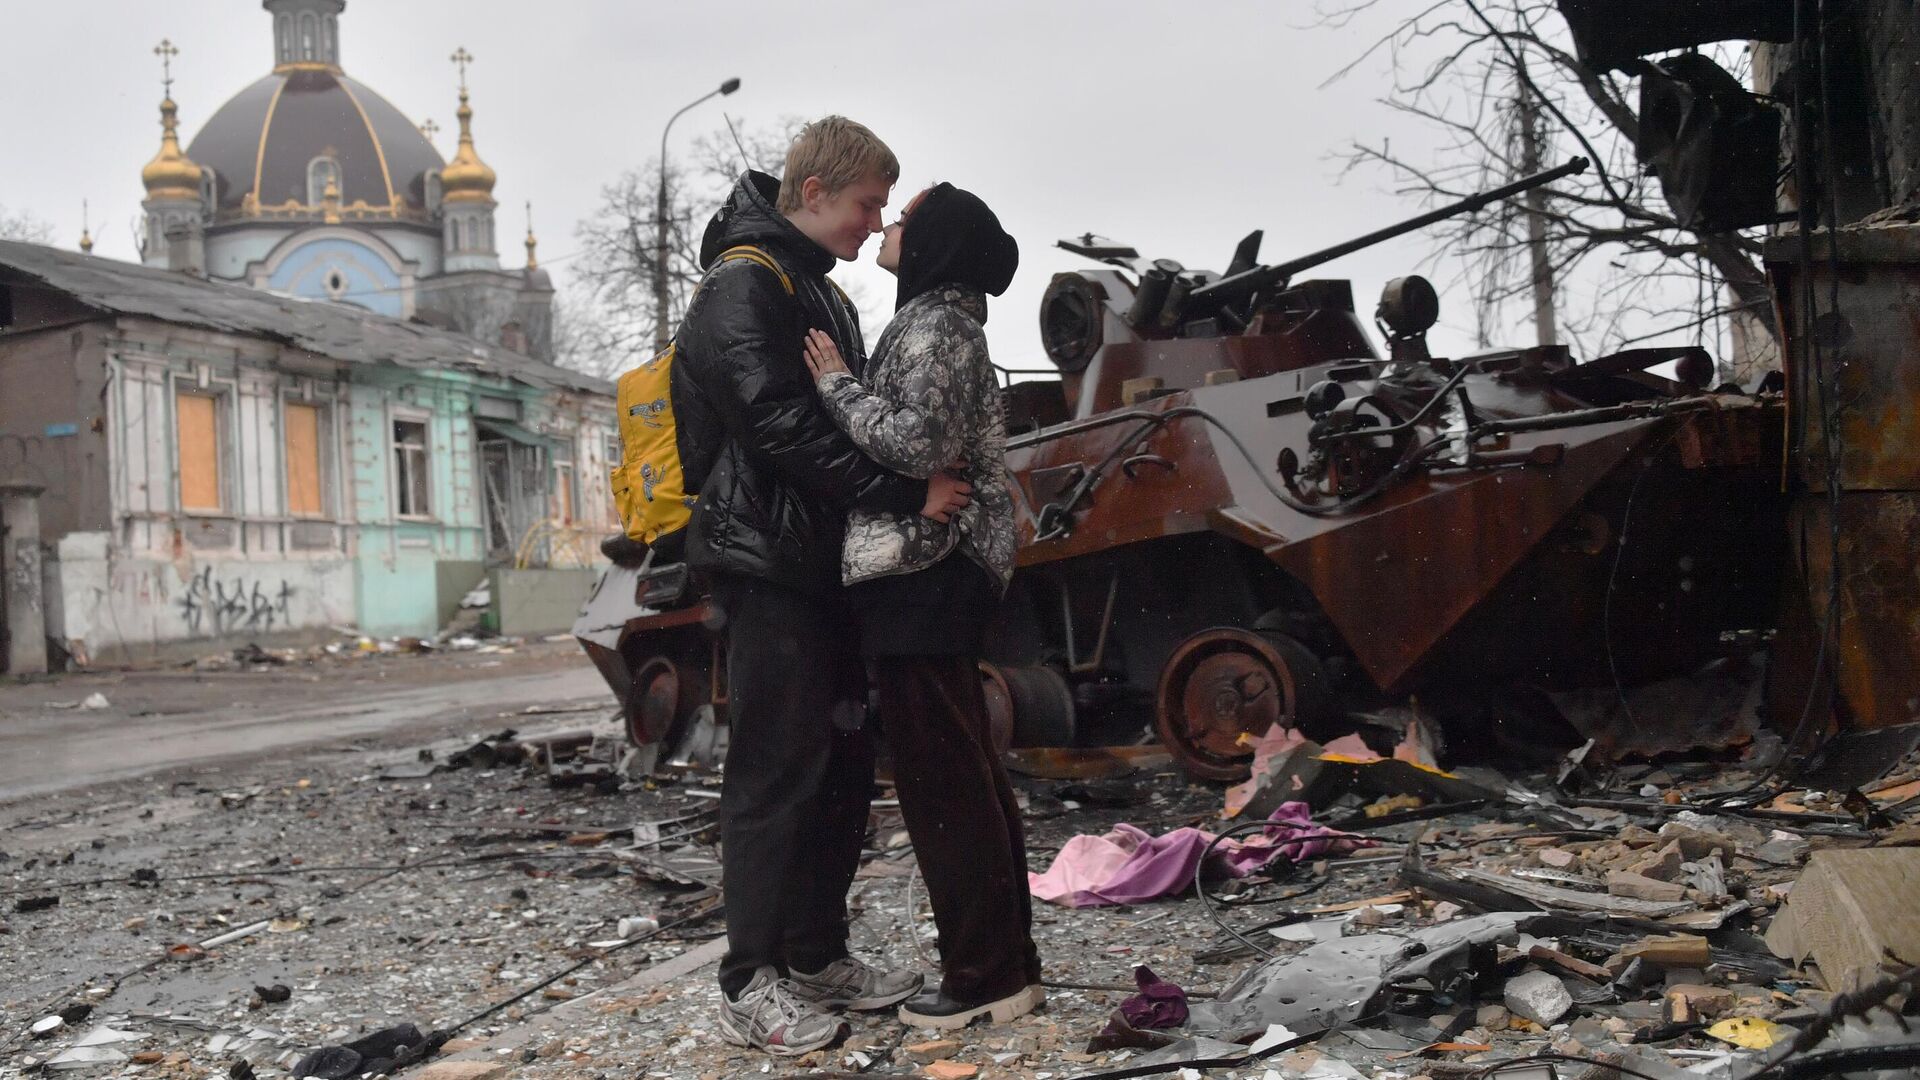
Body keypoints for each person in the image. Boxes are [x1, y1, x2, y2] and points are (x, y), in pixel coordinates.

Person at [671, 118, 975, 1056]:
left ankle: (814, 952)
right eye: (866, 205)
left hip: (825, 563)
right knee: (774, 771)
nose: (873, 222)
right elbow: (779, 430)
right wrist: (905, 495)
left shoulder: (817, 292)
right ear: (813, 194)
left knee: (839, 767)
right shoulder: (742, 285)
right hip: (768, 565)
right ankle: (748, 979)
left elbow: (850, 421)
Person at [801, 181, 1043, 1030]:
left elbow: (919, 445)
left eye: (905, 219)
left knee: (943, 786)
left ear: (936, 243)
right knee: (967, 774)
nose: (889, 225)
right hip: (933, 571)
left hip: (926, 568)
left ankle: (982, 977)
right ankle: (1007, 962)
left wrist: (835, 385)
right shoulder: (940, 321)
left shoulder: (937, 326)